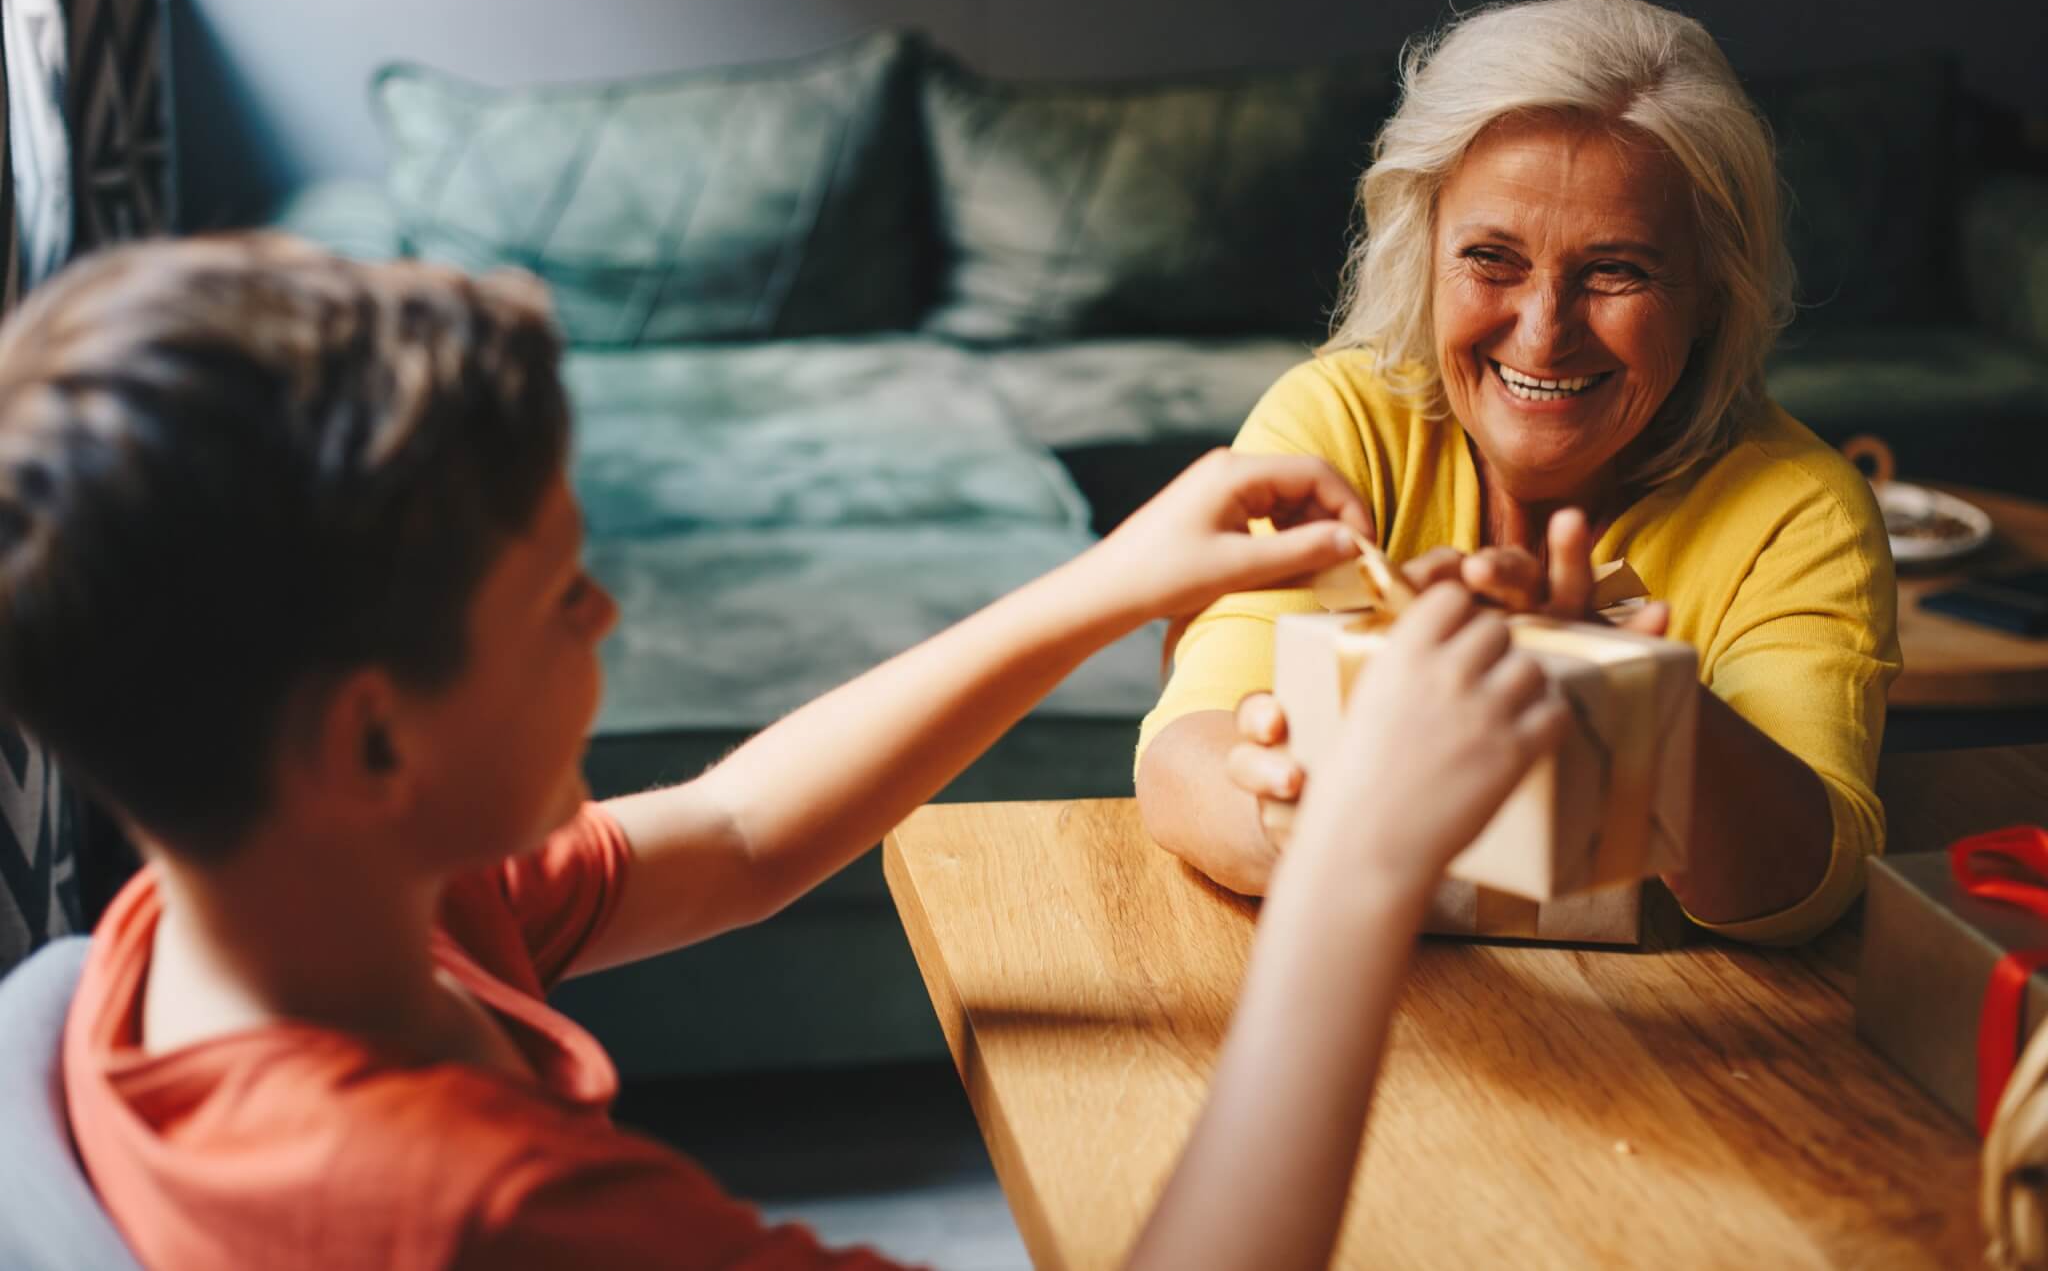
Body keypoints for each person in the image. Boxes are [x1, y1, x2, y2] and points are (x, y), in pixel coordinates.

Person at [0, 235, 1571, 1269]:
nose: (605, 607)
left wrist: (1105, 584)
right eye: (559, 593)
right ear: (371, 731)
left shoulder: (263, 915)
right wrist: (1360, 860)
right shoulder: (482, 1209)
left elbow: (738, 832)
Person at [1135, 0, 1900, 945]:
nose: (1543, 335)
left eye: (1616, 270)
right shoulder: (1334, 422)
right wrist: (1311, 818)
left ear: (1712, 289)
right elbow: (1184, 762)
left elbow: (1803, 885)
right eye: (1492, 259)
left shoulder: (1800, 510)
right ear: (1424, 253)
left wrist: (1622, 698)